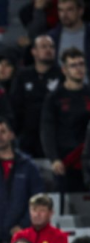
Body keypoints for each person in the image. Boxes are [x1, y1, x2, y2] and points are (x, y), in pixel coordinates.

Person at [43, 47, 90, 193]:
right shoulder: (54, 97)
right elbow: (47, 129)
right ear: (64, 70)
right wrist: (54, 158)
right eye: (73, 65)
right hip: (65, 160)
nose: (78, 68)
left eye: (81, 64)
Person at [11, 35, 59, 159]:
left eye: (51, 47)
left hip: (55, 137)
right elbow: (15, 105)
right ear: (34, 51)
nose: (49, 50)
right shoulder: (23, 75)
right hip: (27, 136)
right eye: (44, 46)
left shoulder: (61, 75)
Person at [46, 0, 90, 71]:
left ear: (80, 11)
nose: (64, 15)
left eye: (69, 10)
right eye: (61, 10)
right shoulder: (51, 37)